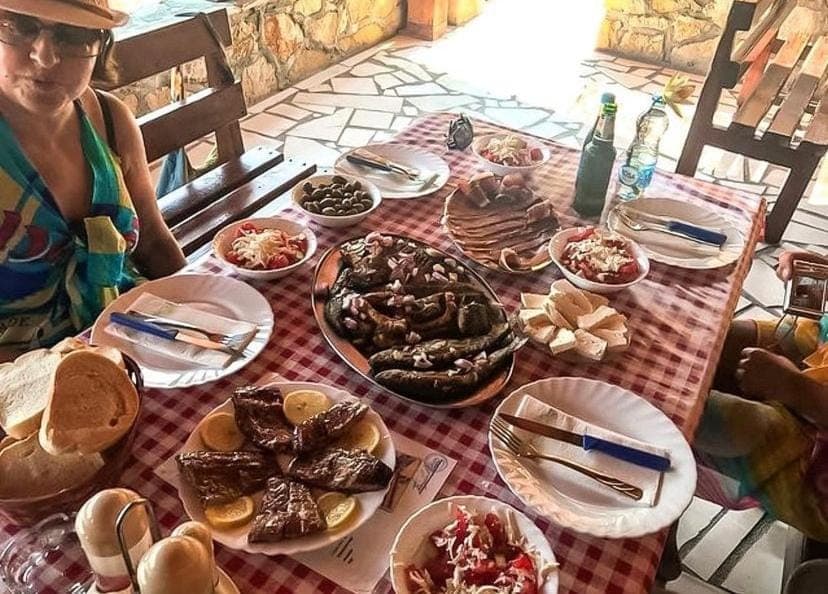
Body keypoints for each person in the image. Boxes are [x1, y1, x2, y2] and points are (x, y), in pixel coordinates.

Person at [0, 0, 185, 360]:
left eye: (71, 34)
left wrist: (204, 310)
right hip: (19, 373)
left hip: (132, 336)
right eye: (20, 26)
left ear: (100, 44)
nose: (45, 56)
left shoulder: (112, 120)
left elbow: (152, 242)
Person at [696, 250, 828, 542]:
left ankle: (653, 526)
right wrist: (820, 274)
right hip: (820, 357)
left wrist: (794, 387)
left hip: (819, 466)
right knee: (707, 340)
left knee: (696, 412)